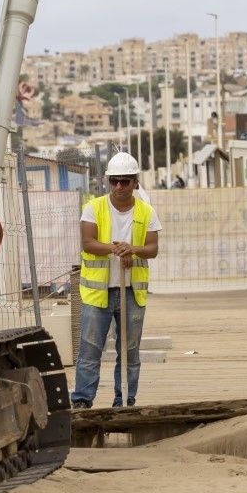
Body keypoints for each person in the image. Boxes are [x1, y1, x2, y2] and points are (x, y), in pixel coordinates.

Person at [71, 152, 160, 409]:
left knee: (130, 351)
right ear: (107, 181)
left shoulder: (146, 211)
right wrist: (116, 249)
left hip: (131, 292)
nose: (119, 186)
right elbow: (88, 243)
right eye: (114, 181)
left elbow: (152, 248)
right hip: (97, 293)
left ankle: (125, 399)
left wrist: (132, 249)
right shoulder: (94, 208)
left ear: (135, 183)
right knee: (89, 350)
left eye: (125, 181)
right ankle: (82, 401)